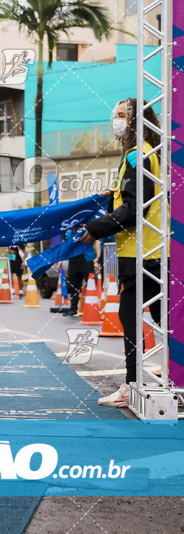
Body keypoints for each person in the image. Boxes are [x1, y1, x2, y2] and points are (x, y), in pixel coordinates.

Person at [79, 98, 168, 408]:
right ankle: (168, 380)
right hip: (153, 249)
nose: (114, 121)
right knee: (159, 317)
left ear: (136, 120)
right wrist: (110, 198)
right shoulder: (149, 153)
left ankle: (132, 384)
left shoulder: (137, 156)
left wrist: (97, 226)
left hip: (143, 253)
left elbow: (133, 209)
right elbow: (134, 200)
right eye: (114, 115)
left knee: (132, 315)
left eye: (121, 116)